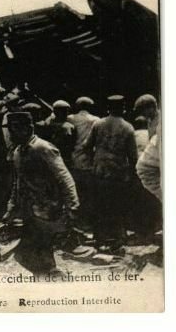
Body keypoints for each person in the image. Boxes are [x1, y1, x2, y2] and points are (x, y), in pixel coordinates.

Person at [2, 112, 79, 274]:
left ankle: (51, 278)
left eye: (14, 129)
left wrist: (72, 206)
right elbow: (18, 183)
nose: (11, 133)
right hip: (30, 211)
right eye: (10, 129)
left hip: (47, 209)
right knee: (31, 255)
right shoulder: (18, 152)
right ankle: (50, 277)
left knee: (30, 253)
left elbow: (64, 177)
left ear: (28, 128)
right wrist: (11, 208)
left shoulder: (43, 148)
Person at [83, 95, 138, 252]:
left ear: (108, 108)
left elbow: (86, 146)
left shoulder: (98, 124)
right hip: (118, 174)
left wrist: (98, 156)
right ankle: (118, 239)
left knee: (100, 205)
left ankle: (99, 238)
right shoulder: (128, 127)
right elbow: (133, 156)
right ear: (123, 108)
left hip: (100, 171)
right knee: (118, 206)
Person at [66, 97, 100, 225]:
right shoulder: (96, 120)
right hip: (89, 159)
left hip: (73, 158)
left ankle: (77, 219)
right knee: (90, 192)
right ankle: (88, 219)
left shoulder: (70, 118)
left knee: (75, 191)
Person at [45, 100, 76, 167]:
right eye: (65, 111)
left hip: (48, 156)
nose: (67, 113)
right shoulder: (69, 127)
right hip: (63, 158)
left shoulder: (47, 123)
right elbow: (72, 144)